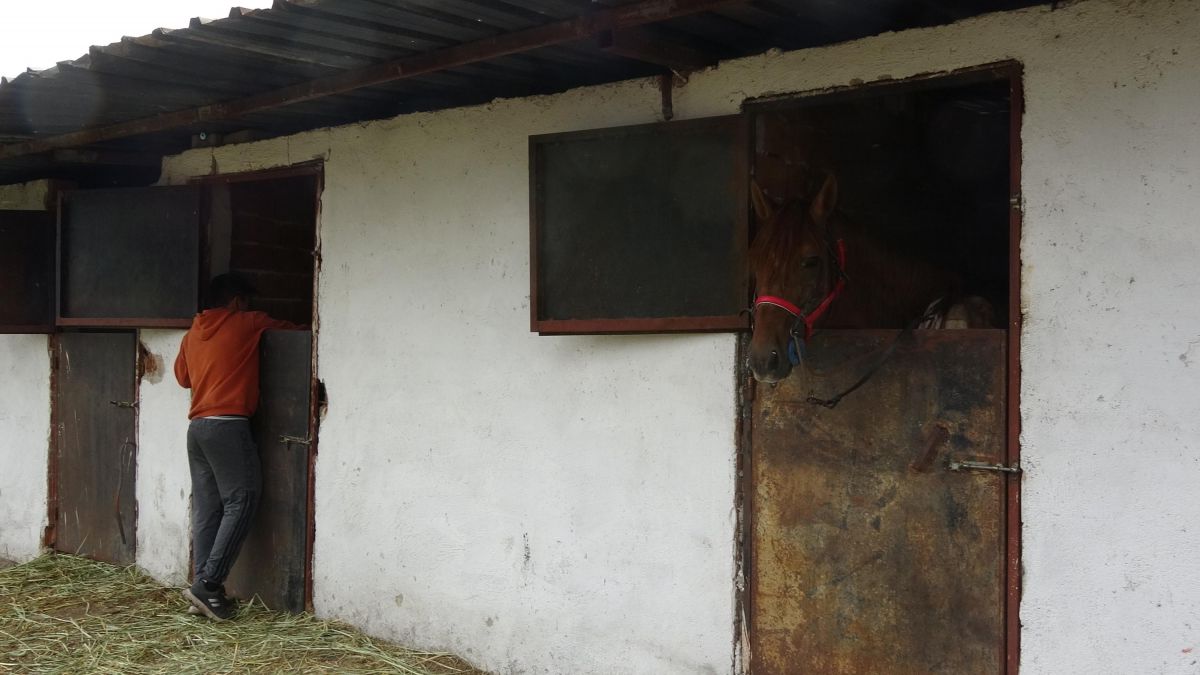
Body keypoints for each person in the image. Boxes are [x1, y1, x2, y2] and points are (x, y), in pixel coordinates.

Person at [174, 273, 304, 620]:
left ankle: (201, 590)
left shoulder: (192, 332)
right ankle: (210, 584)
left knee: (207, 508)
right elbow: (298, 333)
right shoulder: (248, 322)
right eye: (247, 301)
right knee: (243, 498)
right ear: (236, 302)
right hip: (228, 426)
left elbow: (182, 377)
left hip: (197, 428)